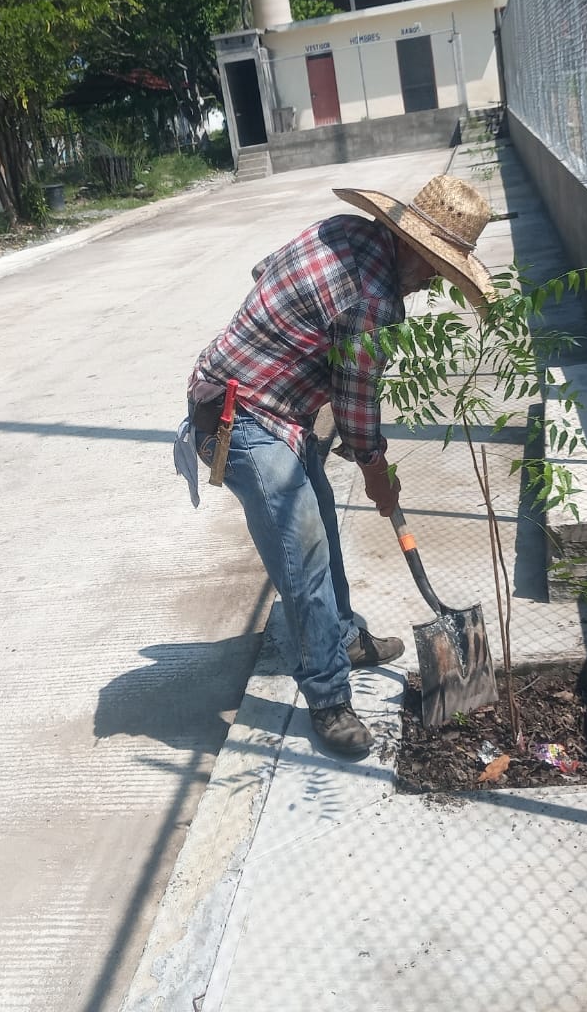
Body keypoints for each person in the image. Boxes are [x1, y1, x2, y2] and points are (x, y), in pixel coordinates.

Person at [177, 175, 496, 758]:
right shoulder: (373, 299)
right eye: (431, 267)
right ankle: (327, 697)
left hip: (277, 407)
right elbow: (355, 404)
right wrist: (375, 466)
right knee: (306, 557)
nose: (430, 283)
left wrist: (297, 345)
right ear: (410, 245)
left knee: (321, 521)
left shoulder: (347, 232)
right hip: (238, 415)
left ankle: (344, 638)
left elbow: (263, 270)